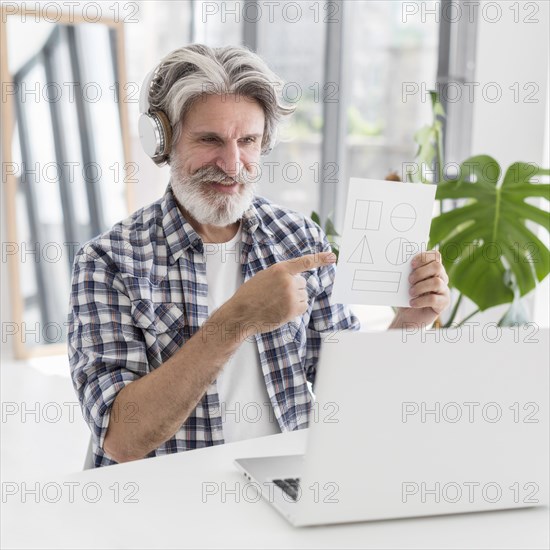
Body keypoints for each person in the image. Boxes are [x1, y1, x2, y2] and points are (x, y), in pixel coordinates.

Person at [68, 44, 450, 467]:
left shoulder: (298, 239)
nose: (232, 165)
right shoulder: (108, 262)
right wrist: (237, 320)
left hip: (286, 486)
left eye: (247, 140)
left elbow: (349, 399)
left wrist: (408, 324)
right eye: (210, 140)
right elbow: (123, 438)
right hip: (168, 508)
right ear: (162, 141)